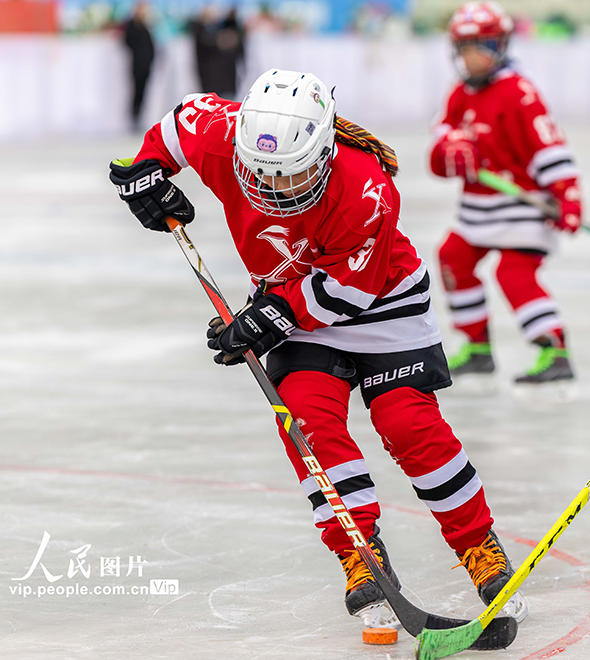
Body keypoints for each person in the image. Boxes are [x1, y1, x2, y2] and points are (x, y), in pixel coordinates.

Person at [108, 69, 528, 627]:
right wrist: (147, 173)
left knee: (407, 424)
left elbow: (348, 290)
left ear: (326, 151)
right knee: (306, 422)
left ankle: (478, 545)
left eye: (293, 175)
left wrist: (263, 320)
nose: (275, 191)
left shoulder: (366, 185)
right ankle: (360, 554)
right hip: (295, 306)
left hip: (382, 302)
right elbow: (174, 126)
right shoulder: (221, 133)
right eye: (263, 175)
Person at [429, 1, 582, 386]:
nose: (471, 55)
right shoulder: (459, 94)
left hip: (523, 209)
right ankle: (478, 347)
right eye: (463, 47)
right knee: (452, 256)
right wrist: (450, 147)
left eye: (481, 44)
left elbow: (550, 147)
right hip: (477, 212)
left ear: (501, 45)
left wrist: (568, 197)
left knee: (513, 274)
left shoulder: (519, 93)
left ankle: (555, 349)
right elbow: (437, 146)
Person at [121, 1, 155, 131]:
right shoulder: (131, 25)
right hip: (137, 64)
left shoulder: (146, 26)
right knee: (136, 90)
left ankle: (140, 115)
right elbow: (127, 42)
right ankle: (134, 116)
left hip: (147, 64)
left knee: (144, 91)